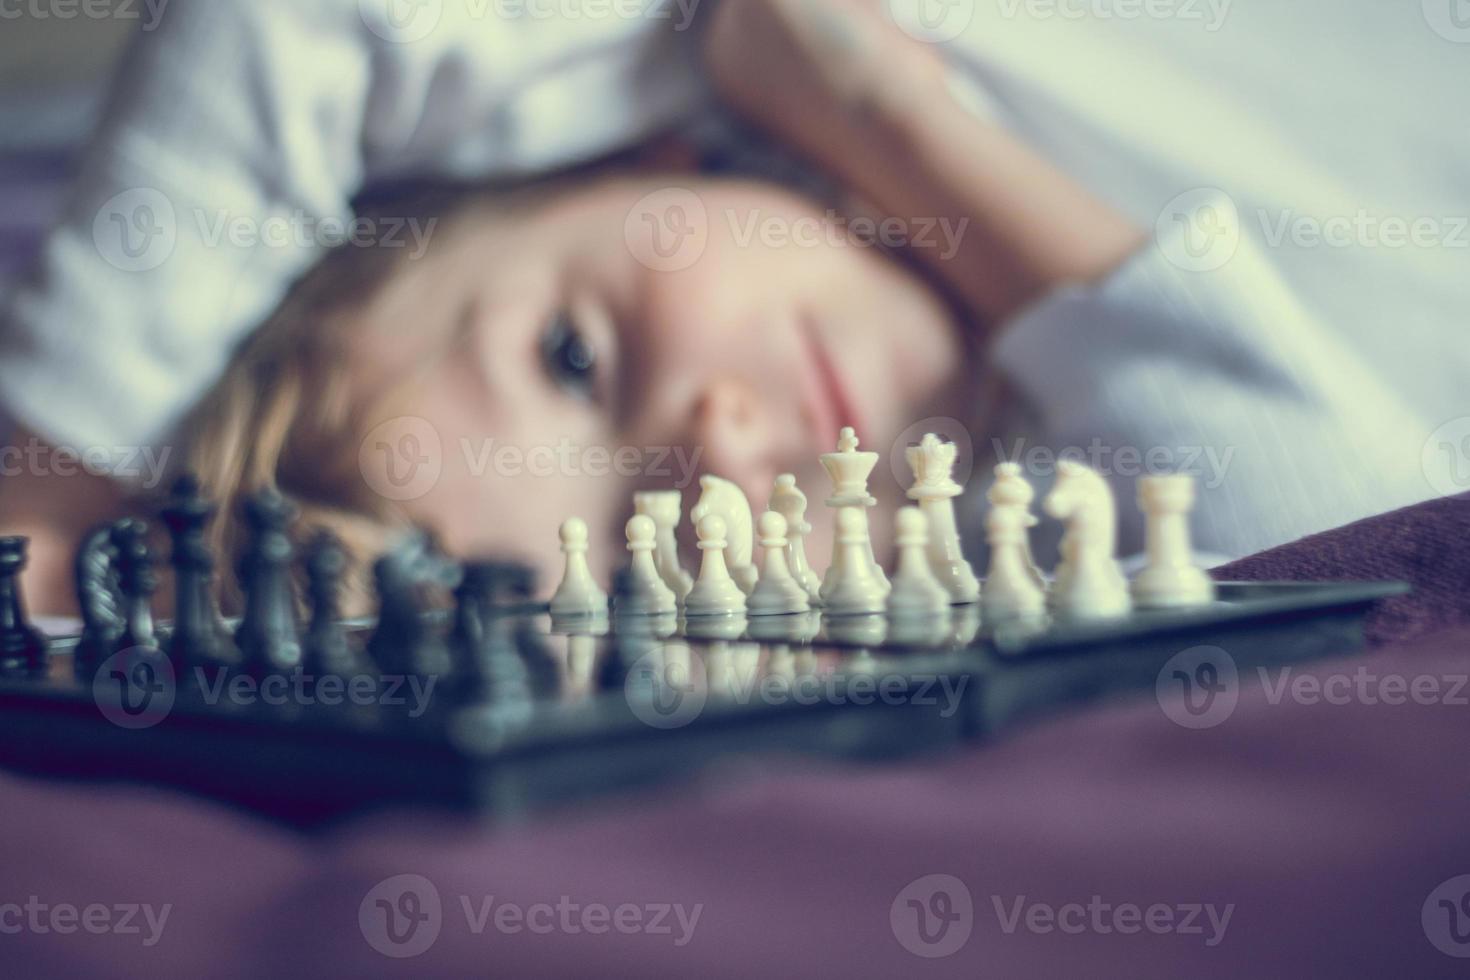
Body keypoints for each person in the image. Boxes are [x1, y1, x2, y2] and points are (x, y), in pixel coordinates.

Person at [2, 0, 1465, 613]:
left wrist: (55, 472)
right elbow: (1362, 543)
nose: (710, 449)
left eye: (573, 357)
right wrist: (890, 114)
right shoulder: (1008, 519)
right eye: (647, 555)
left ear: (631, 171)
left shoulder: (665, 58)